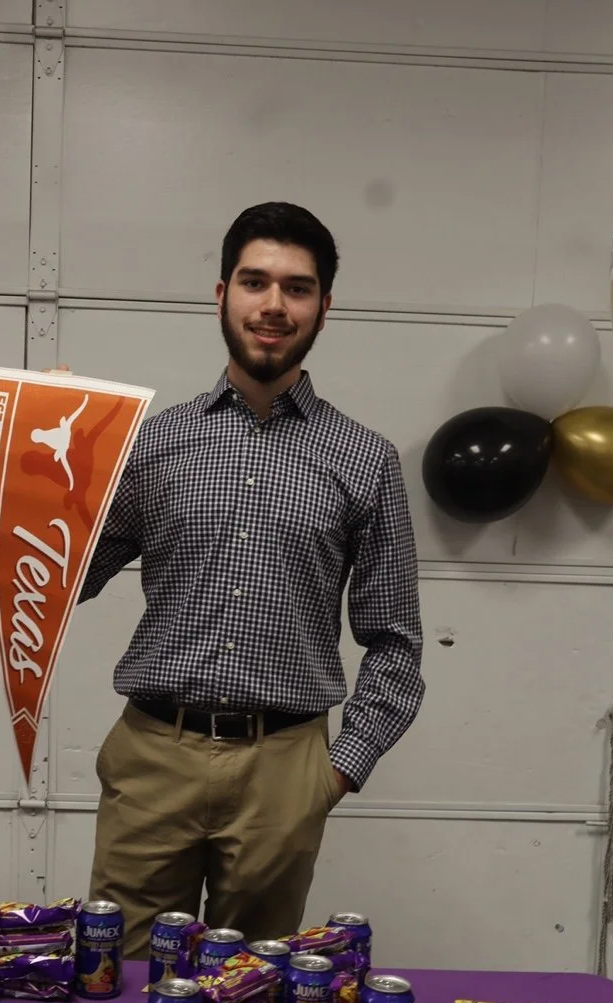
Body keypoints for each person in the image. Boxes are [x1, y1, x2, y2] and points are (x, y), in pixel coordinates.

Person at [78, 201, 425, 957]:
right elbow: (64, 580)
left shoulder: (364, 459)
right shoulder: (153, 443)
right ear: (222, 294)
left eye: (296, 288)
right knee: (121, 983)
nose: (273, 305)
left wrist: (336, 773)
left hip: (286, 767)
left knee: (252, 1001)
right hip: (153, 758)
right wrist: (57, 466)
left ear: (324, 308)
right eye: (255, 281)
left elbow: (396, 642)